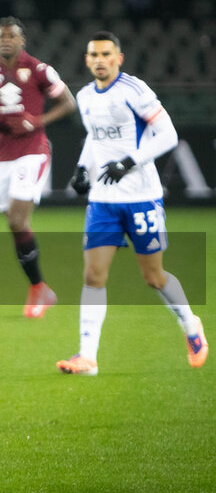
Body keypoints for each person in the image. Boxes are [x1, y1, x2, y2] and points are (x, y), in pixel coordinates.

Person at [57, 31, 207, 375]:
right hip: (103, 200)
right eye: (93, 54)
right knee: (93, 275)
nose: (99, 60)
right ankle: (88, 357)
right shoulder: (84, 96)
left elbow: (167, 135)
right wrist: (82, 168)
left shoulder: (135, 91)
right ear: (86, 59)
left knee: (153, 277)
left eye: (106, 54)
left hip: (141, 197)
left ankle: (190, 325)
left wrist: (129, 161)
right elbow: (94, 140)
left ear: (118, 58)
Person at [0, 16, 77, 317]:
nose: (5, 40)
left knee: (17, 220)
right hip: (1, 154)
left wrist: (38, 121)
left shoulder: (39, 69)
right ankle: (40, 287)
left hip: (32, 149)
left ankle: (37, 289)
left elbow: (69, 103)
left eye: (11, 36)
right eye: (0, 36)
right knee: (16, 225)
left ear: (21, 40)